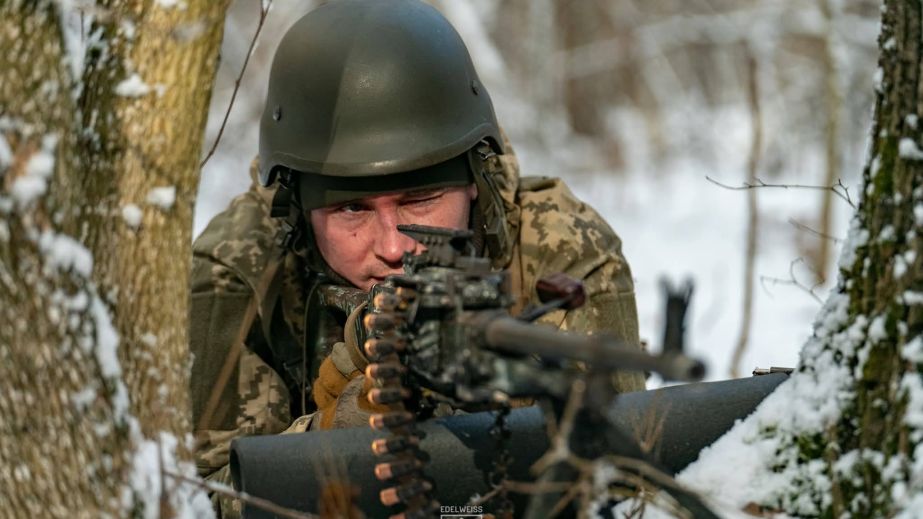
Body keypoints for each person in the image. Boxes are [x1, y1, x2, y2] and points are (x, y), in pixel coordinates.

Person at [189, 0, 645, 516]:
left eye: (421, 199)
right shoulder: (237, 271)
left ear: (474, 180)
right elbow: (200, 496)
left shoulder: (557, 246)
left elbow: (627, 471)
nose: (393, 247)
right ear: (299, 207)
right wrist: (329, 436)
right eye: (352, 209)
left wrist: (506, 394)